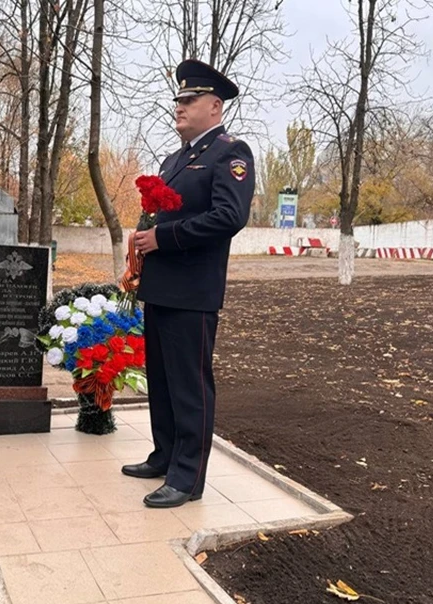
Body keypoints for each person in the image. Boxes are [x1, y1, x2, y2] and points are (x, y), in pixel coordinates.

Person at [122, 59, 255, 508]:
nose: (178, 106)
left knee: (189, 385)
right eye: (177, 99)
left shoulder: (231, 153)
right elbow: (164, 211)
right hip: (160, 287)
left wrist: (163, 237)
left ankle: (187, 477)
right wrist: (144, 241)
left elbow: (228, 217)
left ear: (215, 107)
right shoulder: (175, 158)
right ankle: (164, 455)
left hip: (193, 291)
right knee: (160, 380)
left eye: (188, 100)